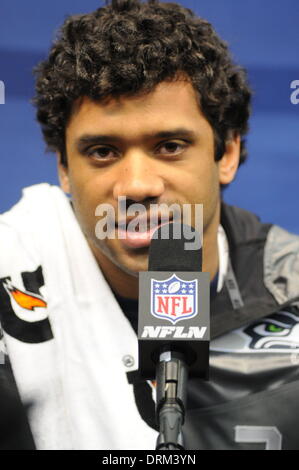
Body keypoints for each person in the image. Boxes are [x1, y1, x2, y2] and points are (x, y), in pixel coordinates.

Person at [0, 0, 299, 450]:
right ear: (64, 169)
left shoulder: (290, 293)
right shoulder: (13, 275)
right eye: (102, 151)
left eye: (170, 145)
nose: (137, 186)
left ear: (227, 154)